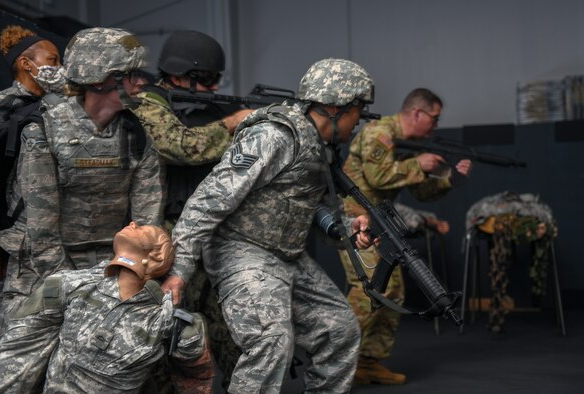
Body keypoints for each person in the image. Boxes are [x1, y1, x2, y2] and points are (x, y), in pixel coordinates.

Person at [162, 58, 375, 393]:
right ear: (336, 108)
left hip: (285, 255)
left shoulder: (321, 146)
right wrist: (180, 270)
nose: (359, 122)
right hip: (241, 249)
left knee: (340, 331)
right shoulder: (274, 136)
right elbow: (207, 201)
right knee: (270, 340)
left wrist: (345, 226)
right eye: (358, 112)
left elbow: (305, 205)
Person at [0, 27, 164, 343]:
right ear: (99, 79)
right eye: (131, 75)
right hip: (41, 269)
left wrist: (129, 276)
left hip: (110, 266)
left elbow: (146, 227)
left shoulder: (137, 137)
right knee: (17, 373)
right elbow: (42, 231)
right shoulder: (43, 129)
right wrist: (78, 291)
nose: (141, 83)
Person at [131, 30, 252, 388]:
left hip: (211, 232)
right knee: (168, 329)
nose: (215, 89)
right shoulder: (148, 103)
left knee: (227, 324)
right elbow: (179, 147)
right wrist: (231, 124)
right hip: (164, 232)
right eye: (209, 80)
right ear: (183, 75)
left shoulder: (202, 109)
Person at [338, 87, 472, 385]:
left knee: (394, 289)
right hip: (354, 220)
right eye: (434, 119)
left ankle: (367, 362)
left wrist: (451, 179)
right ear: (417, 113)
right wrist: (418, 164)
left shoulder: (407, 144)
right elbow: (378, 177)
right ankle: (335, 359)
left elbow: (421, 192)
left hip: (379, 221)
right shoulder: (380, 133)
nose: (436, 125)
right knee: (369, 290)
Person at [0, 222, 213, 393]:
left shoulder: (168, 322)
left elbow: (198, 374)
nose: (134, 223)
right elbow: (17, 352)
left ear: (157, 256)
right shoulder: (67, 285)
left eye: (145, 229)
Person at [0, 24, 66, 338]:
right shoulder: (1, 108)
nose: (59, 68)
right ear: (26, 64)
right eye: (53, 61)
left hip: (47, 240)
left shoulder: (60, 110)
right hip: (7, 243)